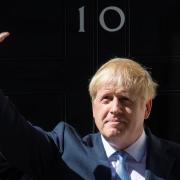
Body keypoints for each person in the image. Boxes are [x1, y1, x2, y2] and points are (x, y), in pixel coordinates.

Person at [0, 32, 180, 180]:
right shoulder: (63, 150)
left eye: (125, 99)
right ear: (93, 107)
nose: (115, 109)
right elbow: (13, 133)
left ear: (147, 108)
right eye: (106, 99)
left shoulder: (175, 159)